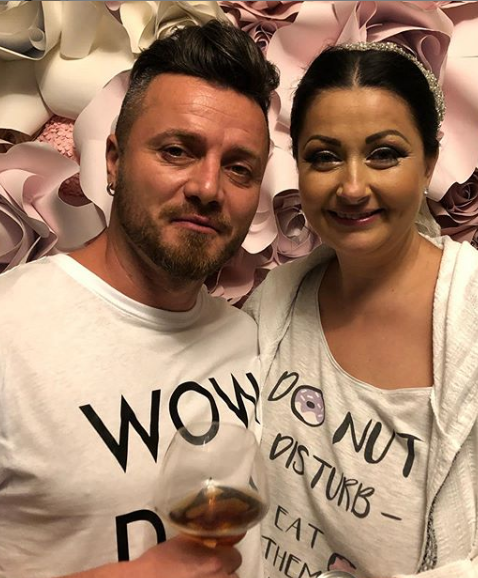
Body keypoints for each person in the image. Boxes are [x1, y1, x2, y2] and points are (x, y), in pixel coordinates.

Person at [0, 20, 278, 578]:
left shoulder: (253, 338)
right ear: (113, 159)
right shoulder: (10, 330)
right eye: (177, 151)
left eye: (239, 168)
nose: (208, 188)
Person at [244, 41, 478, 578]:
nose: (352, 187)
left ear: (429, 164)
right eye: (324, 156)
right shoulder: (275, 306)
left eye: (384, 154)